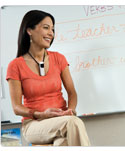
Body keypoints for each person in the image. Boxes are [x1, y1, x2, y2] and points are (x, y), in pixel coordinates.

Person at [6, 10, 90, 146]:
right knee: (73, 123)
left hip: (62, 121)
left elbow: (72, 92)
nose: (51, 33)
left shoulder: (59, 58)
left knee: (63, 143)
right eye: (46, 28)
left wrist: (71, 110)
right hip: (34, 124)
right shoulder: (15, 65)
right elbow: (16, 107)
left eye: (53, 29)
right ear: (29, 30)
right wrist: (40, 114)